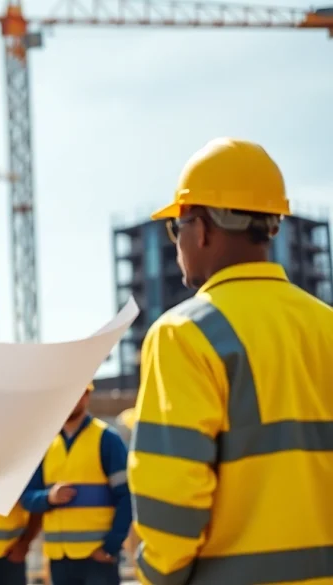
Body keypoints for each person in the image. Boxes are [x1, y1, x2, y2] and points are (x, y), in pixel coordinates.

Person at [128, 137, 333, 584]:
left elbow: (172, 502)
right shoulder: (326, 325)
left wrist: (156, 574)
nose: (177, 243)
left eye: (175, 229)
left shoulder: (185, 334)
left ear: (200, 228)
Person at [20, 382, 131, 585]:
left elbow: (127, 496)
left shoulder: (107, 439)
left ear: (86, 397)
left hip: (97, 558)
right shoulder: (45, 444)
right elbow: (27, 498)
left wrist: (110, 547)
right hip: (59, 558)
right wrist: (49, 497)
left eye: (77, 394)